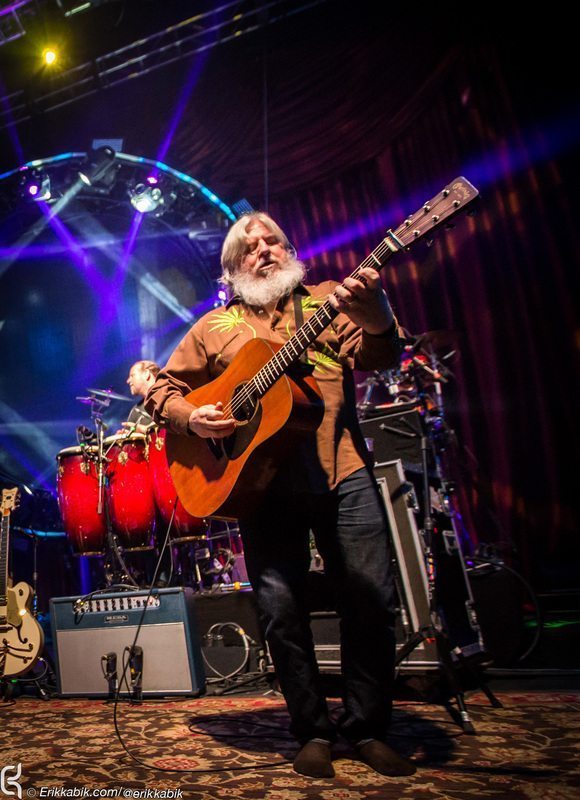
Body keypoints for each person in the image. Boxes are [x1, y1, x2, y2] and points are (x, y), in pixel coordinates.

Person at [145, 213, 416, 779]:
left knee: (371, 601)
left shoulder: (326, 300)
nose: (263, 249)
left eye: (273, 240)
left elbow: (380, 354)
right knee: (281, 613)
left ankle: (367, 728)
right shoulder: (213, 327)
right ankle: (312, 730)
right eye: (249, 246)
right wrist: (193, 418)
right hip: (260, 484)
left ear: (290, 250)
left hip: (342, 467)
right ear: (231, 268)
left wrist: (377, 317)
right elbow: (165, 389)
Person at [122, 360, 160, 434]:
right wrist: (125, 437)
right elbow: (131, 434)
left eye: (132, 375)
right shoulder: (136, 410)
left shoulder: (168, 394)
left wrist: (147, 430)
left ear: (146, 374)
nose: (128, 381)